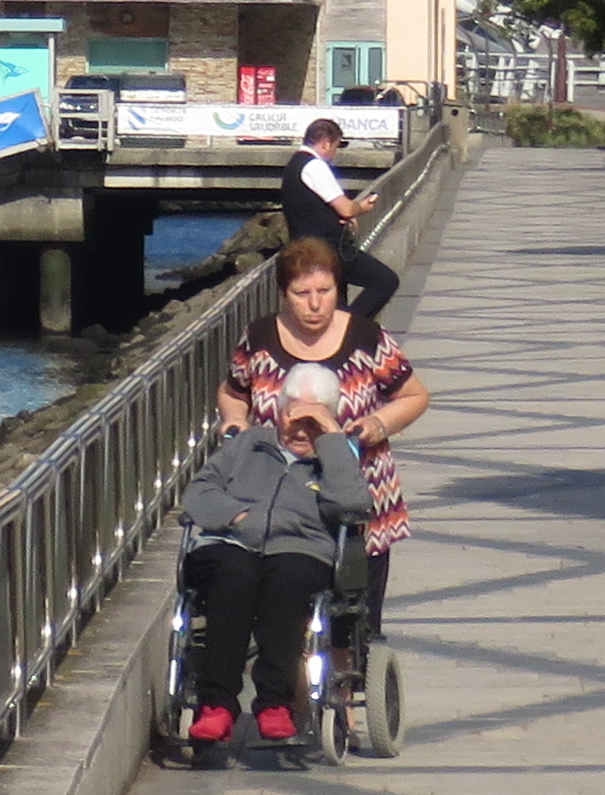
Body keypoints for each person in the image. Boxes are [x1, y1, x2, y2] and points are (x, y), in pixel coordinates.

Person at [180, 365, 368, 746]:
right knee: (233, 576)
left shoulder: (335, 458)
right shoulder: (248, 444)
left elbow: (352, 505)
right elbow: (198, 492)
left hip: (300, 548)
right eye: (293, 417)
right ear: (279, 411)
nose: (300, 430)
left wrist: (331, 440)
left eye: (312, 421)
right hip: (230, 542)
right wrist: (236, 516)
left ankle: (274, 702)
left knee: (287, 582)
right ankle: (216, 705)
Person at [228, 238, 428, 595]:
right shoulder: (259, 337)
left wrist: (377, 424)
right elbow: (233, 392)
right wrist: (236, 422)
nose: (315, 304)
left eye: (325, 291)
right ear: (283, 294)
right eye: (301, 293)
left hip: (357, 495)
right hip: (278, 501)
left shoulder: (366, 337)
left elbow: (414, 396)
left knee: (355, 610)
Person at [284, 117, 401, 325]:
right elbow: (346, 208)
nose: (335, 153)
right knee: (385, 281)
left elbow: (314, 205)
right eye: (336, 146)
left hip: (307, 248)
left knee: (336, 302)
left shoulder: (295, 164)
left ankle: (338, 331)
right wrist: (362, 207)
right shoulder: (314, 167)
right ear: (326, 143)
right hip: (326, 249)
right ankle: (348, 328)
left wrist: (341, 216)